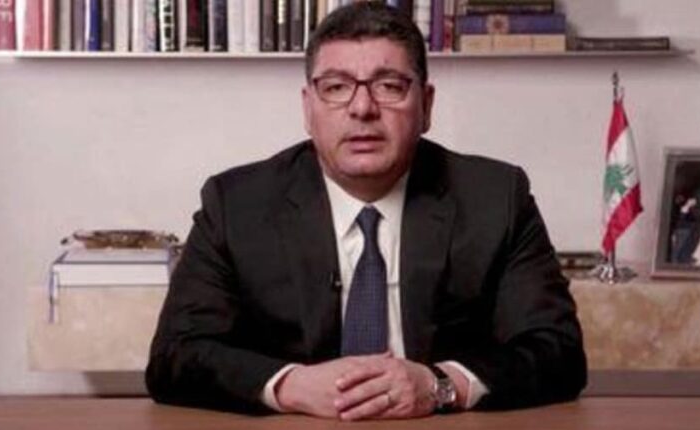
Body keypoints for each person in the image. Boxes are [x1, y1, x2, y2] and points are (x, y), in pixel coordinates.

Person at [145, 2, 586, 420]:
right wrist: (291, 385)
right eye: (336, 87)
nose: (362, 108)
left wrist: (440, 385)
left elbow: (558, 351)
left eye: (389, 86)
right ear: (308, 108)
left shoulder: (495, 199)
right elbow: (175, 356)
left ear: (426, 105)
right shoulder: (236, 204)